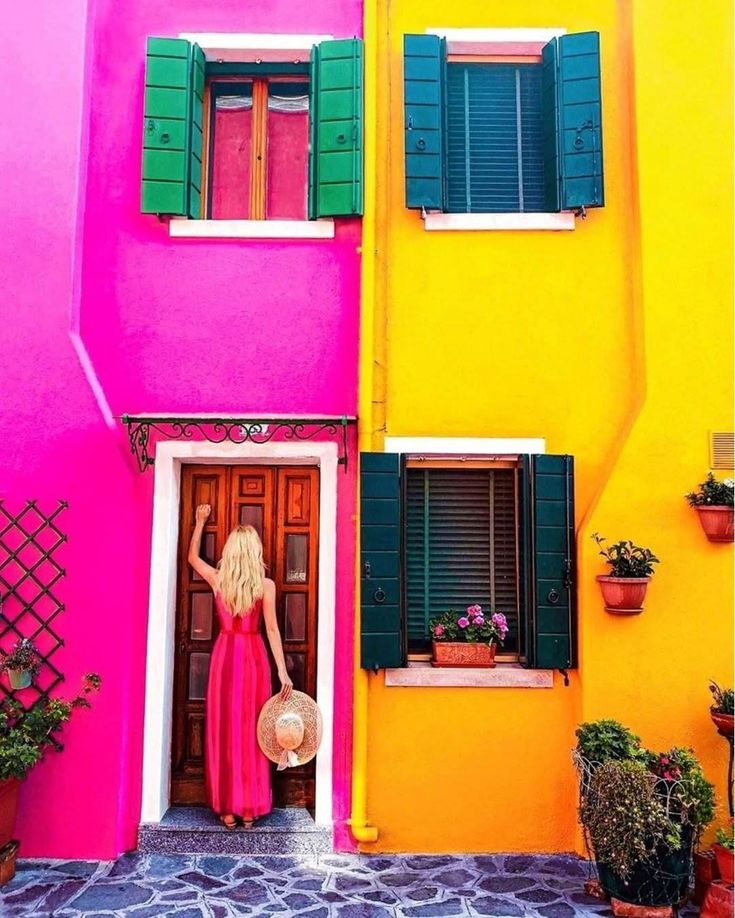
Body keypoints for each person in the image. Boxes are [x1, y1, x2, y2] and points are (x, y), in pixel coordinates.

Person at [188, 504, 293, 829]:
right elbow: (272, 629)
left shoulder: (219, 580)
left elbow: (193, 558)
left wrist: (200, 522)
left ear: (231, 552)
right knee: (252, 731)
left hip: (224, 658)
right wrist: (282, 671)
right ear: (255, 551)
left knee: (225, 731)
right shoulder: (266, 586)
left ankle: (227, 810)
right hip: (253, 658)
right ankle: (250, 809)